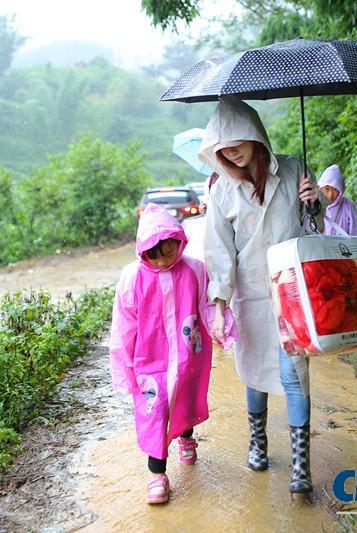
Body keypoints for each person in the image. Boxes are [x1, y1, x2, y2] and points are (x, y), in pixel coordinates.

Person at [199, 95, 325, 496]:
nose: (229, 150)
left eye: (235, 139)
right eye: (221, 146)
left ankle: (301, 465)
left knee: (295, 375)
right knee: (253, 372)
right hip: (250, 293)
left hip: (293, 291)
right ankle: (258, 443)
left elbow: (314, 228)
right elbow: (218, 250)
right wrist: (219, 307)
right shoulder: (220, 189)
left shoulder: (293, 170)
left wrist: (314, 202)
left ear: (255, 134)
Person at [109, 203, 236, 505]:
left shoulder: (193, 269)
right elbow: (123, 328)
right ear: (144, 252)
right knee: (156, 410)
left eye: (169, 251)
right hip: (148, 361)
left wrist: (223, 329)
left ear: (179, 242)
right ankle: (157, 475)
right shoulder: (132, 278)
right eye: (156, 254)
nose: (164, 260)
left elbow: (206, 306)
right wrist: (124, 369)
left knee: (185, 398)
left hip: (187, 354)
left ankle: (187, 438)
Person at [317, 164, 357, 237]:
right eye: (327, 189)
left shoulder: (348, 206)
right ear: (320, 188)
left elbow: (355, 232)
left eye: (335, 190)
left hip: (343, 247)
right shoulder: (315, 205)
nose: (330, 195)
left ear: (341, 190)